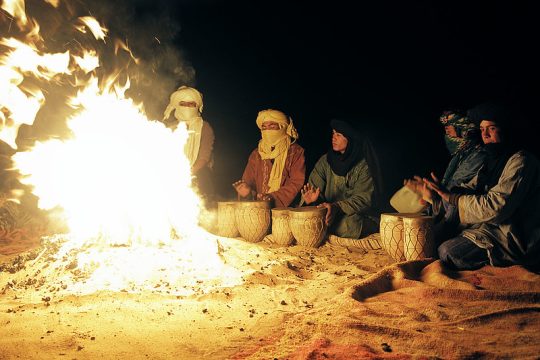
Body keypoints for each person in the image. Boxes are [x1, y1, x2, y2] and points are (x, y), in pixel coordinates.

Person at [420, 102, 540, 270]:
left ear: (505, 129)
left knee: (447, 251)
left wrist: (451, 196)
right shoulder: (491, 160)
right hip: (487, 228)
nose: (485, 135)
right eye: (482, 129)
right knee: (433, 239)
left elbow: (496, 208)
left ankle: (500, 267)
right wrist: (438, 195)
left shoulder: (521, 162)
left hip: (510, 236)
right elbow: (466, 190)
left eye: (491, 128)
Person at [301, 119, 383, 241]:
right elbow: (314, 189)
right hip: (329, 213)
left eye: (338, 135)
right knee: (305, 219)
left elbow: (364, 199)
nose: (333, 138)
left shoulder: (364, 165)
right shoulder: (325, 161)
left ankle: (372, 226)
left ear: (350, 139)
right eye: (333, 133)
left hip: (355, 214)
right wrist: (314, 200)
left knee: (348, 225)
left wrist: (337, 207)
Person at [233, 109, 305, 208]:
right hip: (259, 211)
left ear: (282, 127)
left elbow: (296, 182)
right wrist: (247, 193)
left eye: (272, 126)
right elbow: (249, 181)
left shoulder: (295, 152)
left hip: (287, 212)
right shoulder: (257, 154)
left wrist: (272, 198)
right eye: (264, 127)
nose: (268, 131)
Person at [163, 86, 215, 205]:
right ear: (177, 105)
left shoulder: (205, 127)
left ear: (197, 106)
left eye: (191, 104)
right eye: (183, 103)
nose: (187, 107)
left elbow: (204, 156)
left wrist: (186, 173)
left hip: (199, 177)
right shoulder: (170, 128)